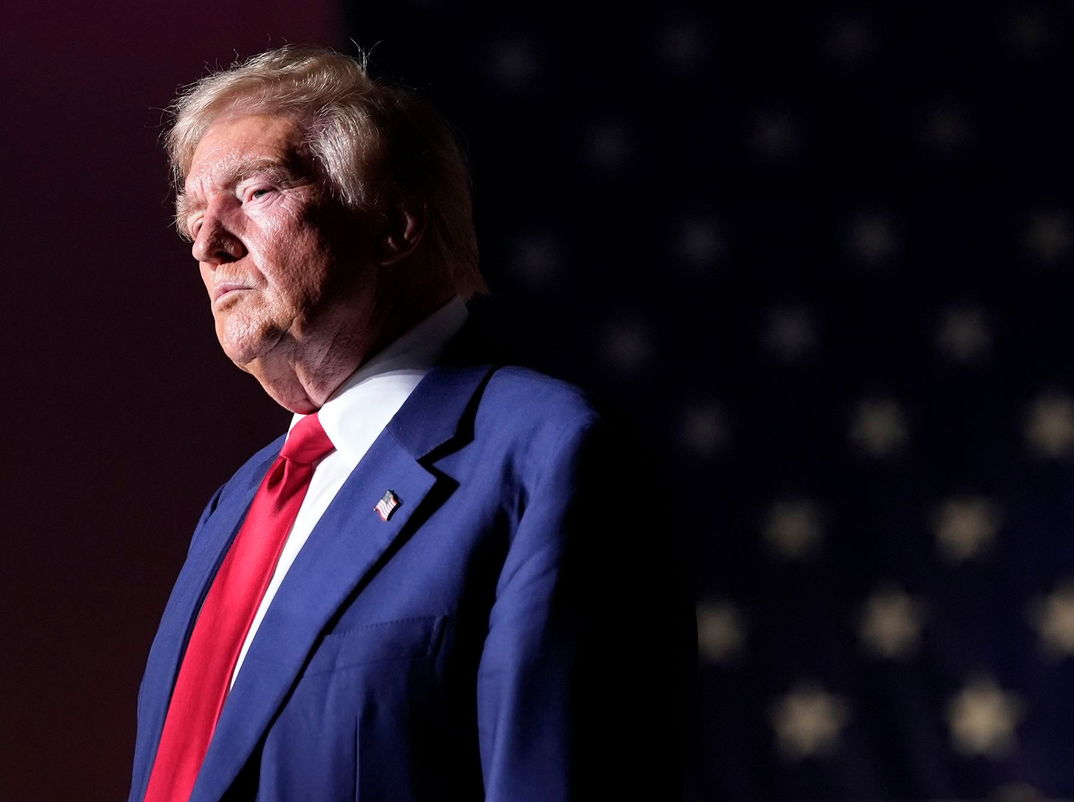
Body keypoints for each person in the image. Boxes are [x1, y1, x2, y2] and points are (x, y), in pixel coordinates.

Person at [128, 46, 693, 802]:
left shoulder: (549, 454)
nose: (207, 245)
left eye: (255, 192)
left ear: (393, 225)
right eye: (194, 219)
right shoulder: (239, 504)